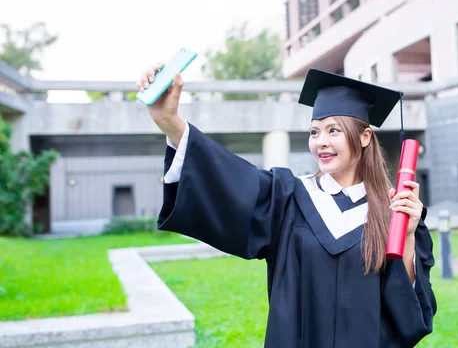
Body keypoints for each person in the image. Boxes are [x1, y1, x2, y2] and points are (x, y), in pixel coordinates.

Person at [136, 66, 436, 347]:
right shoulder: (287, 197)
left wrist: (407, 236)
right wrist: (171, 123)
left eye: (334, 130)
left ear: (365, 136)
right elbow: (231, 178)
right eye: (314, 131)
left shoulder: (395, 211)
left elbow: (410, 317)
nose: (321, 141)